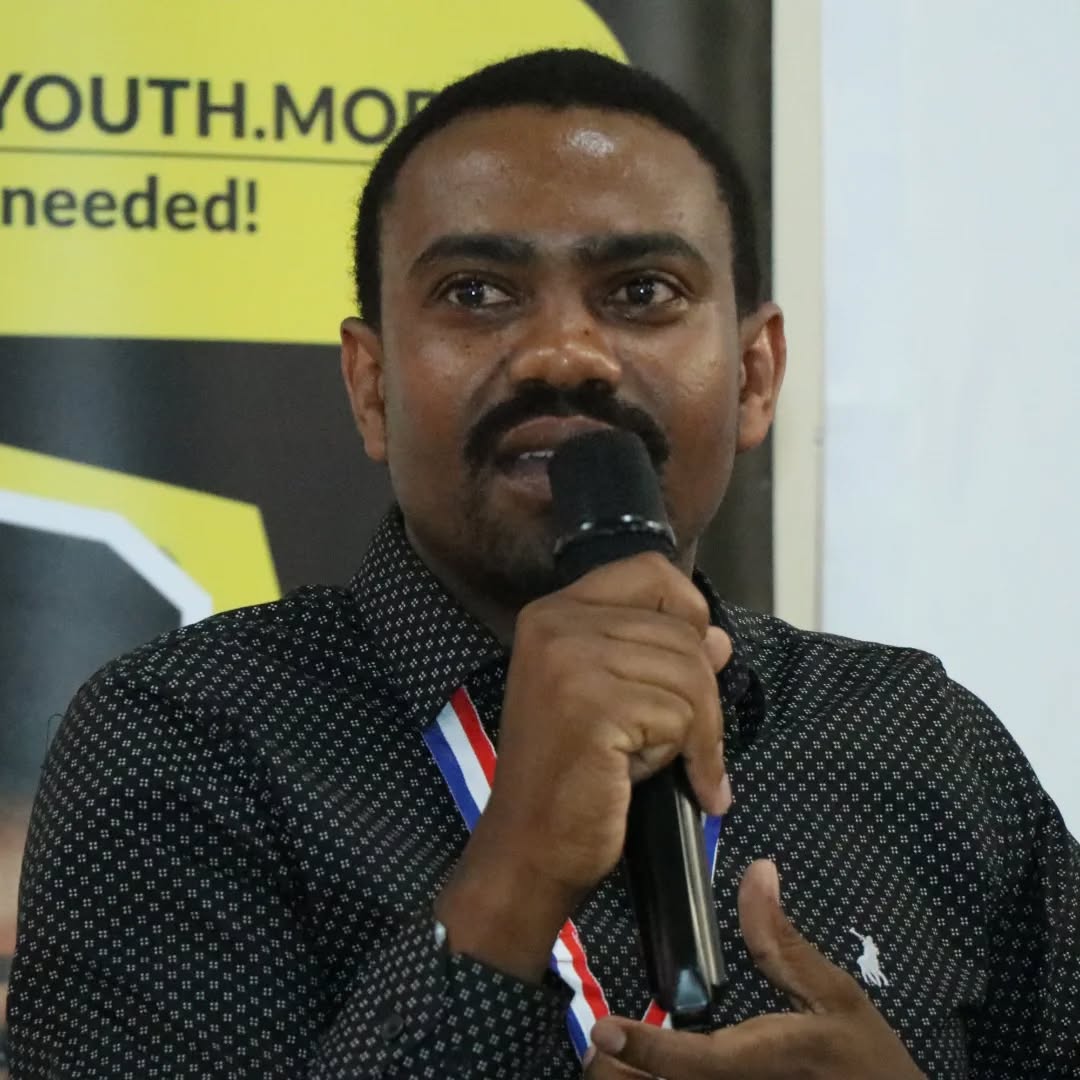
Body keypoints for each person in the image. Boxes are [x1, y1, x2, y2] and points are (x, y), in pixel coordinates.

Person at [7, 48, 1079, 1079]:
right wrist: (516, 871)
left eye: (643, 291)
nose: (566, 353)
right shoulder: (186, 741)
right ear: (371, 387)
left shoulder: (922, 743)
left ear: (756, 376)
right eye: (476, 292)